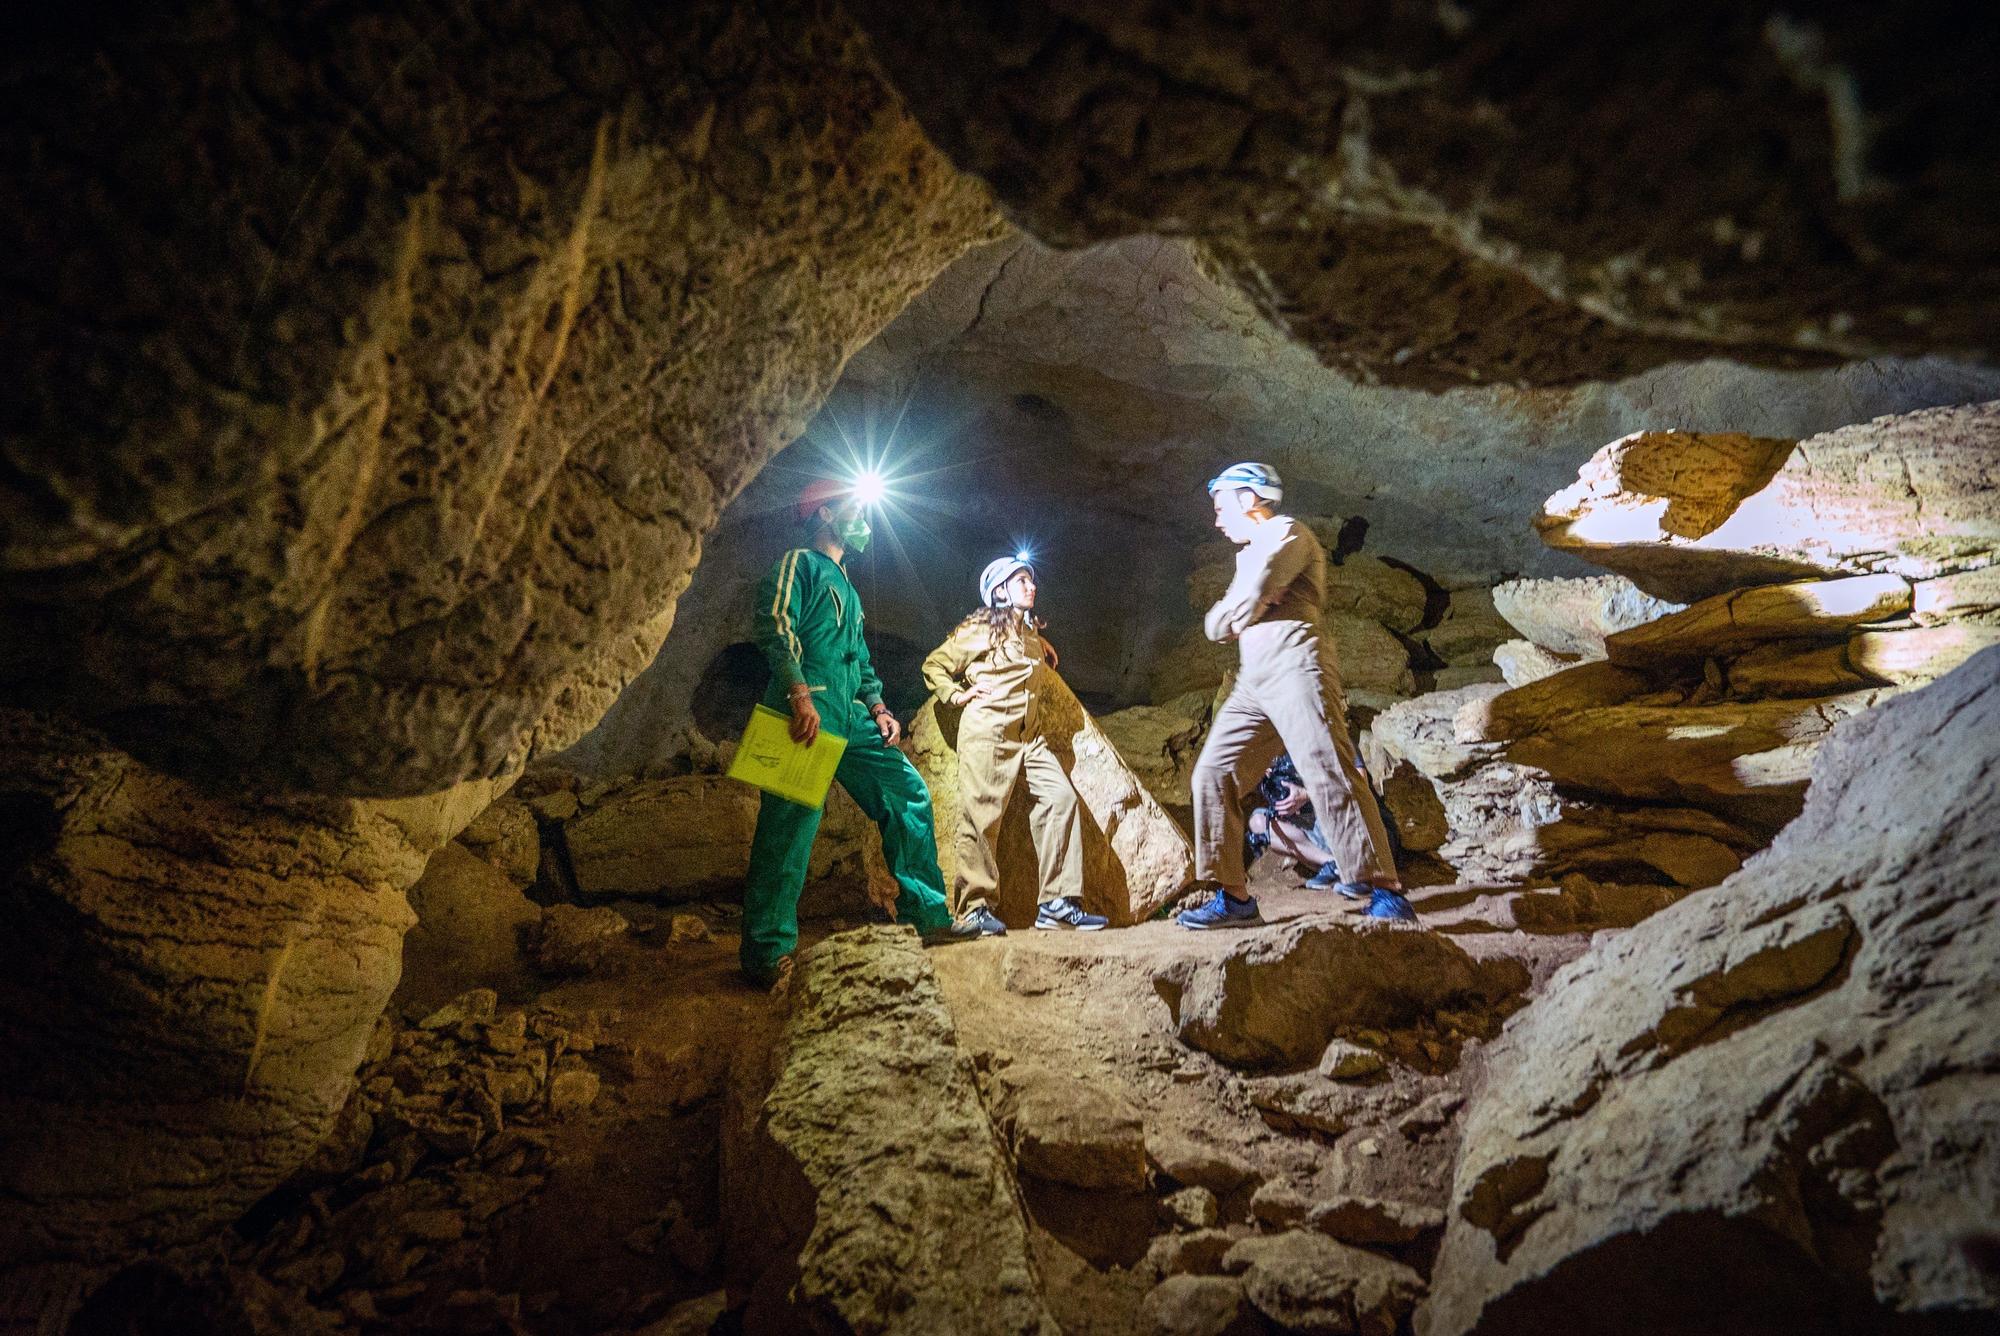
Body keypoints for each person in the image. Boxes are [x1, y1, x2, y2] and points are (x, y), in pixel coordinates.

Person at [740, 478, 977, 988]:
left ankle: (929, 917)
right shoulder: (797, 564)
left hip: (850, 713)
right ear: (824, 513)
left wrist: (879, 706)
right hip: (803, 710)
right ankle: (766, 952)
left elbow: (860, 658)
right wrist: (798, 693)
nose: (863, 522)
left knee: (907, 791)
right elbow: (776, 623)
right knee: (789, 825)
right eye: (853, 509)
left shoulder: (847, 585)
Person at [1179, 462, 1417, 927]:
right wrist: (1240, 609)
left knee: (1328, 769)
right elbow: (1220, 622)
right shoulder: (1247, 554)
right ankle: (1234, 898)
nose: (1215, 518)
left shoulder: (1288, 533)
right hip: (1254, 681)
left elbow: (1250, 597)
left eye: (1221, 505)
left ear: (1249, 499)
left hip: (1297, 667)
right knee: (1212, 772)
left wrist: (1241, 609)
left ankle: (1383, 889)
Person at [922, 554, 1108, 935]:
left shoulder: (1029, 635)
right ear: (1000, 591)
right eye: (1021, 580)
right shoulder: (979, 628)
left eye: (1031, 580)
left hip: (1030, 737)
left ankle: (1057, 903)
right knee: (981, 816)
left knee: (1060, 799)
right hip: (989, 732)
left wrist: (1041, 643)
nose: (1031, 586)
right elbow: (935, 665)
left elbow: (1026, 656)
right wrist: (957, 695)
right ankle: (973, 909)